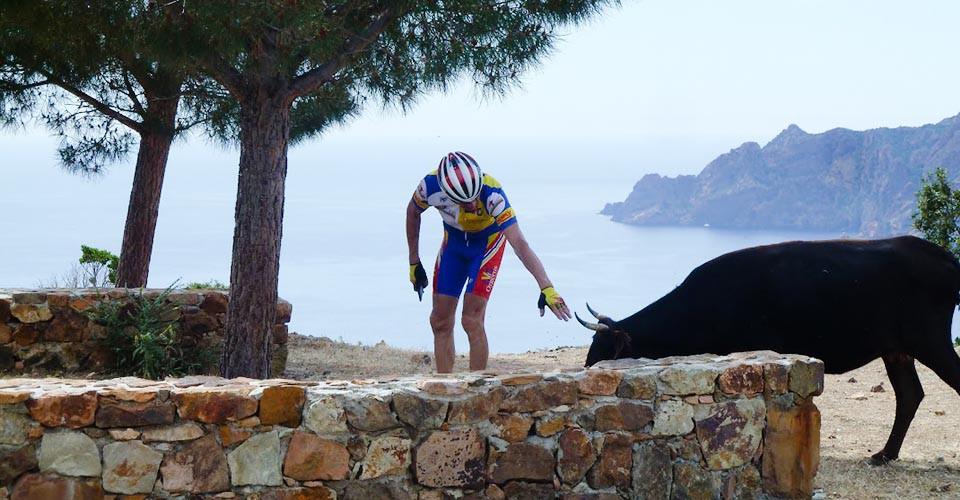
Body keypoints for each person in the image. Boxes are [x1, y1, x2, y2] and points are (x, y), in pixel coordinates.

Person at [405, 151, 571, 373]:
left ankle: (476, 388)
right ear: (446, 192)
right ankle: (444, 388)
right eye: (465, 202)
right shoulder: (429, 187)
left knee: (471, 320)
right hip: (453, 244)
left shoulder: (492, 193)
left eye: (475, 199)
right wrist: (414, 262)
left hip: (486, 246)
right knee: (440, 320)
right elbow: (412, 213)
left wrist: (546, 286)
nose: (473, 206)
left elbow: (519, 243)